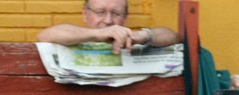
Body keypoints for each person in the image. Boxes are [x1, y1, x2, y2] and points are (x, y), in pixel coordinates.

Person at [37, 1, 178, 54]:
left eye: (116, 13)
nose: (108, 20)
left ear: (125, 18)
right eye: (100, 12)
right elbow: (44, 35)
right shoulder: (74, 35)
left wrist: (142, 36)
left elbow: (174, 37)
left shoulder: (133, 39)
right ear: (85, 14)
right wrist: (98, 34)